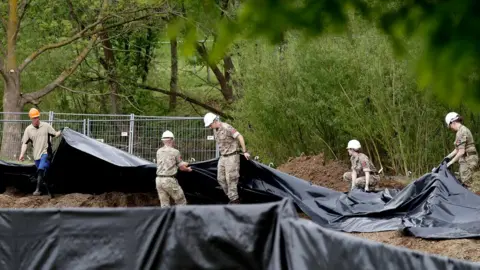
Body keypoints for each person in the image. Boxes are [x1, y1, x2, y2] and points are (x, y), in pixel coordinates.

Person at [203, 112, 250, 204]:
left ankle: (235, 201)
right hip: (223, 157)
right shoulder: (215, 129)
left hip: (232, 156)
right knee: (220, 179)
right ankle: (232, 197)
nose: (209, 127)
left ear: (214, 121)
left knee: (231, 179)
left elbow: (240, 136)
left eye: (210, 125)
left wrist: (244, 151)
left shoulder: (226, 127)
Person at [19, 108, 61, 195]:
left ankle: (37, 190)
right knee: (42, 174)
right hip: (36, 156)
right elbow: (24, 143)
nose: (36, 119)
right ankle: (49, 192)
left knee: (41, 169)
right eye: (34, 118)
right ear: (31, 119)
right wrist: (21, 154)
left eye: (37, 117)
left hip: (46, 153)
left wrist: (62, 131)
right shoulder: (28, 130)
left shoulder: (46, 126)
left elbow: (55, 134)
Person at [155, 130, 193, 207]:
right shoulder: (175, 152)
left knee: (164, 204)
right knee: (181, 201)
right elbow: (182, 167)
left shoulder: (159, 151)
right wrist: (188, 169)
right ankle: (181, 218)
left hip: (158, 180)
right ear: (172, 140)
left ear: (163, 141)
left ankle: (167, 218)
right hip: (169, 180)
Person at [443, 112, 478, 187]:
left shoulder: (462, 132)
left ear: (453, 122)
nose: (451, 128)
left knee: (466, 181)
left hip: (469, 159)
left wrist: (450, 163)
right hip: (466, 159)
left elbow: (461, 152)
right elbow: (457, 149)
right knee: (464, 180)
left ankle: (471, 197)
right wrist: (447, 157)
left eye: (450, 126)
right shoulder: (460, 131)